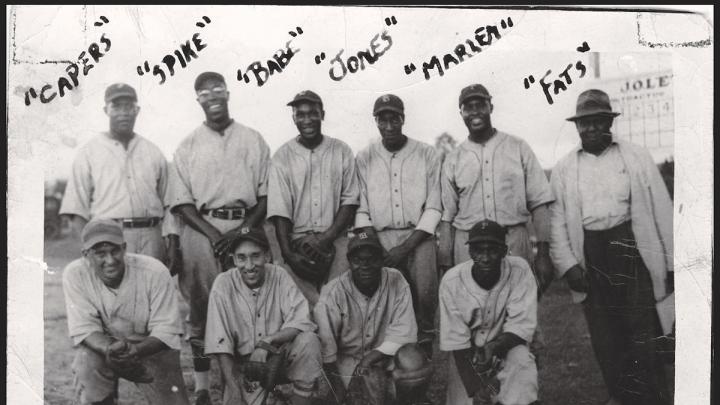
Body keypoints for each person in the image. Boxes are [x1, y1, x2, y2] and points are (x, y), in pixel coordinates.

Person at [549, 89, 674, 405]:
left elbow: (661, 207)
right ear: (577, 127)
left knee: (643, 332)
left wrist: (671, 264)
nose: (590, 129)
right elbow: (557, 222)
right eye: (584, 123)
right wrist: (569, 266)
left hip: (631, 250)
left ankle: (653, 397)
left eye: (596, 122)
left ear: (609, 122)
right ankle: (619, 397)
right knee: (606, 338)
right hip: (591, 254)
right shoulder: (565, 168)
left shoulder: (635, 156)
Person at [166, 71, 272, 404]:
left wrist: (241, 232)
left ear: (227, 93)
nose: (212, 96)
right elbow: (181, 202)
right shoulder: (188, 144)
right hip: (202, 228)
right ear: (198, 99)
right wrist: (214, 235)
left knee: (247, 305)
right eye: (204, 93)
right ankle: (201, 387)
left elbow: (267, 196)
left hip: (246, 225)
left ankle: (240, 384)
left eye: (217, 90)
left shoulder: (252, 138)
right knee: (201, 309)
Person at [438, 84, 555, 294]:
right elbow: (447, 217)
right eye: (468, 107)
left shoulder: (517, 147)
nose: (475, 112)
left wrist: (544, 254)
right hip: (468, 246)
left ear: (490, 107)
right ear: (461, 113)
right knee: (472, 313)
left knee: (519, 312)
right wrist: (446, 263)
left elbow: (539, 203)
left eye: (480, 105)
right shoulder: (454, 158)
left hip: (512, 241)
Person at [62, 219, 189, 405]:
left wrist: (135, 350)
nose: (110, 260)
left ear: (124, 248)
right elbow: (85, 329)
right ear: (86, 254)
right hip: (105, 350)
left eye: (115, 251)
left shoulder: (154, 271)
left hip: (151, 349)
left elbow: (166, 330)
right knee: (86, 362)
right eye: (100, 254)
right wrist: (109, 349)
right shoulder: (75, 274)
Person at [354, 94, 442, 358]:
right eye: (383, 119)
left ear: (403, 118)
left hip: (418, 237)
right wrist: (375, 246)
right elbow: (362, 208)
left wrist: (405, 248)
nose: (389, 126)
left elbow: (435, 206)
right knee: (385, 302)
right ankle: (387, 364)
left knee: (425, 298)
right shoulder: (365, 156)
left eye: (395, 118)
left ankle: (422, 359)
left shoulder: (427, 153)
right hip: (378, 238)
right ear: (376, 122)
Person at [59, 83, 180, 265]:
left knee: (151, 291)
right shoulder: (89, 152)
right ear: (106, 110)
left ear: (136, 110)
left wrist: (172, 244)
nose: (123, 112)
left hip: (152, 235)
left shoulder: (153, 152)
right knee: (114, 292)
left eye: (128, 106)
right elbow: (77, 210)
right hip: (108, 237)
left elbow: (170, 204)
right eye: (116, 106)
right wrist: (89, 249)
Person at [204, 227, 322, 405]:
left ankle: (300, 400)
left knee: (309, 341)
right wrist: (235, 393)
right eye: (241, 258)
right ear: (234, 259)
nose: (249, 265)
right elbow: (220, 347)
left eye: (255, 255)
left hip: (275, 359)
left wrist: (267, 342)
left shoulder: (280, 275)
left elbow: (301, 320)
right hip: (242, 367)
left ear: (267, 256)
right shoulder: (223, 283)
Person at [313, 231, 433, 405]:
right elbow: (327, 350)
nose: (365, 265)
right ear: (349, 262)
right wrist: (338, 388)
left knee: (413, 359)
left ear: (381, 259)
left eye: (372, 259)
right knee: (368, 386)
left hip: (386, 355)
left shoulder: (396, 279)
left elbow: (404, 333)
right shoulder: (332, 292)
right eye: (358, 260)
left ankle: (410, 401)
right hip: (348, 361)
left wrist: (371, 358)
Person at [268, 90, 360, 306]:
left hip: (336, 238)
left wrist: (326, 238)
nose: (307, 120)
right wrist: (289, 256)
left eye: (313, 113)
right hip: (298, 240)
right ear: (293, 118)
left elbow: (350, 201)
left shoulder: (341, 150)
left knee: (338, 302)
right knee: (301, 304)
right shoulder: (282, 156)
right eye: (300, 114)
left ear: (323, 114)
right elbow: (280, 210)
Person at [439, 220, 539, 405]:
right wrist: (475, 388)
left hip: (507, 347)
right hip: (468, 354)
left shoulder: (520, 270)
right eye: (478, 250)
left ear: (504, 251)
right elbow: (456, 340)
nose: (485, 257)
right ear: (470, 252)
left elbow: (521, 326)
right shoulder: (451, 281)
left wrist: (494, 347)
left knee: (522, 363)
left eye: (492, 250)